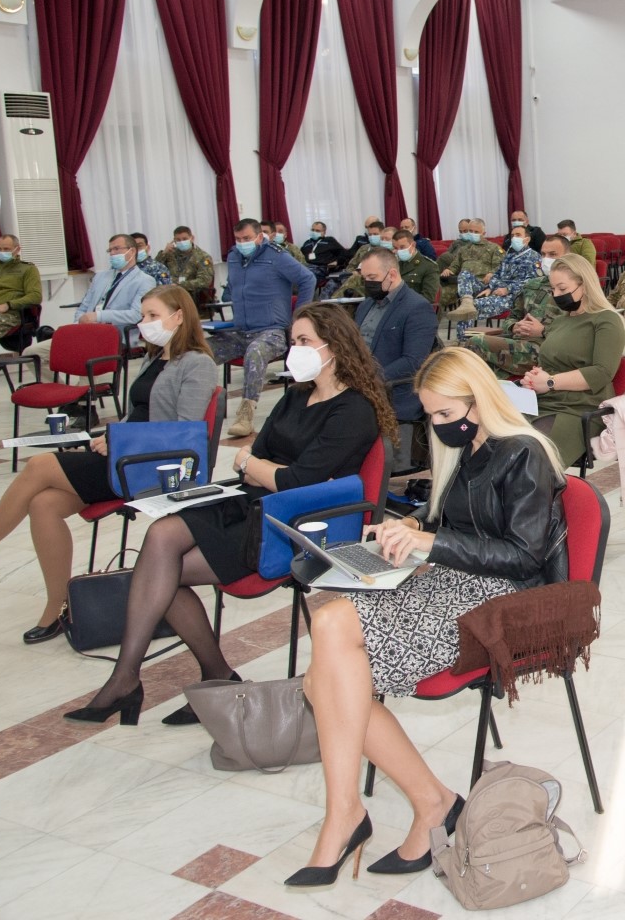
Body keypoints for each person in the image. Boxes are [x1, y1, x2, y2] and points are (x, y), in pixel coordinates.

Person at [285, 346, 565, 886]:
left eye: (444, 413)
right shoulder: (464, 447)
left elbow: (524, 557)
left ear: (479, 401)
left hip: (503, 597)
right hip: (455, 579)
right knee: (328, 626)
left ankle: (365, 814)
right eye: (432, 414)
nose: (437, 425)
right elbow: (447, 515)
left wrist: (429, 543)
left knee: (326, 681)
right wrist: (408, 526)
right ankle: (390, 806)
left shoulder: (524, 452)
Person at [64, 303, 391, 728]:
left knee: (163, 570)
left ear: (335, 346)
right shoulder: (296, 395)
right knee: (162, 535)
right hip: (250, 501)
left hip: (293, 523)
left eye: (304, 341)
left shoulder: (354, 410)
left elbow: (295, 481)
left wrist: (259, 468)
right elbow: (257, 456)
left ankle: (152, 678)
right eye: (293, 341)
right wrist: (262, 468)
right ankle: (145, 677)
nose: (294, 350)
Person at [0, 286, 217, 641]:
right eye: (143, 316)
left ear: (179, 316)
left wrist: (121, 440)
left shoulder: (197, 363)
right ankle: (59, 607)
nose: (145, 323)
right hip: (124, 454)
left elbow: (185, 433)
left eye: (153, 316)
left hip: (152, 465)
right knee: (43, 504)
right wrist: (111, 435)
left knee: (40, 465)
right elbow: (139, 413)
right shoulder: (155, 358)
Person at [515, 254, 625, 465]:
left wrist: (550, 382)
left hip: (581, 407)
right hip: (546, 401)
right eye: (553, 289)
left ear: (583, 285)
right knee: (497, 438)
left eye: (562, 289)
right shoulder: (559, 322)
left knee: (531, 453)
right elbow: (551, 363)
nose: (556, 295)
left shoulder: (606, 320)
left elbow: (602, 372)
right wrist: (535, 377)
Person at [212, 219, 317, 437]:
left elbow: (307, 279)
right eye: (238, 239)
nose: (242, 243)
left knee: (255, 351)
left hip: (272, 331)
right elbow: (232, 287)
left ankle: (246, 414)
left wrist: (299, 316)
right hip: (241, 331)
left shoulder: (276, 256)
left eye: (247, 238)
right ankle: (196, 405)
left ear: (260, 237)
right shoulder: (233, 257)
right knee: (199, 351)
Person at [24, 235, 155, 370]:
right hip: (84, 332)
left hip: (112, 336)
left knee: (86, 369)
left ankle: (85, 382)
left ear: (132, 251)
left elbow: (135, 315)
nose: (112, 253)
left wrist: (98, 316)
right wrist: (78, 323)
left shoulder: (145, 281)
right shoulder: (101, 277)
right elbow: (84, 306)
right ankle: (58, 383)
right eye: (110, 250)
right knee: (31, 353)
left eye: (116, 249)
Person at [354, 248, 439, 422]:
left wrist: (370, 378)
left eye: (372, 278)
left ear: (392, 275)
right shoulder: (365, 305)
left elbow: (413, 361)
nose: (367, 283)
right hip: (359, 383)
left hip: (392, 389)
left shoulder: (417, 308)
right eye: (364, 278)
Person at [464, 233, 566, 376]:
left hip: (546, 349)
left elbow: (578, 332)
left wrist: (543, 331)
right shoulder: (532, 285)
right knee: (469, 354)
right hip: (519, 342)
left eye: (552, 254)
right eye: (543, 254)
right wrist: (514, 326)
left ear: (568, 256)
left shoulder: (574, 290)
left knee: (476, 343)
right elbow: (512, 317)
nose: (546, 259)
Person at [469, 223, 543, 324]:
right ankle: (466, 333)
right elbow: (497, 274)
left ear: (527, 239)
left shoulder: (534, 257)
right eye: (512, 235)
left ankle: (466, 333)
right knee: (468, 305)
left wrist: (508, 289)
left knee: (472, 306)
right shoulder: (509, 256)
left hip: (515, 297)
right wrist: (491, 287)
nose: (514, 238)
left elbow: (531, 282)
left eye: (518, 235)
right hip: (498, 292)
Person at [0, 235, 42, 350]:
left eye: (6, 249)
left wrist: (8, 305)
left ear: (17, 249)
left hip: (12, 314)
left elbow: (35, 296)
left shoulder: (28, 269)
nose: (2, 252)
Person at [438, 219, 504, 320]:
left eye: (476, 232)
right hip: (462, 286)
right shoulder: (463, 249)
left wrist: (492, 273)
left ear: (483, 233)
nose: (472, 234)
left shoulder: (494, 248)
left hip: (482, 285)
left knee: (465, 274)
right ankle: (433, 327)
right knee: (438, 296)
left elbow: (501, 267)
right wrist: (449, 270)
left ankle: (466, 303)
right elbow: (454, 266)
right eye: (471, 231)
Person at [161, 226, 216, 310]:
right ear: (174, 241)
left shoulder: (203, 257)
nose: (181, 242)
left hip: (193, 299)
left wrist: (179, 285)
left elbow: (203, 281)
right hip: (171, 298)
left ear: (192, 238)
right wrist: (163, 253)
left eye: (184, 239)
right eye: (178, 240)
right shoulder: (170, 254)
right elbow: (155, 271)